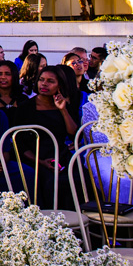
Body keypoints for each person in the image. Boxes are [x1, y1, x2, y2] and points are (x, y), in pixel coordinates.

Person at [9, 67, 79, 208]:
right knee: (51, 182)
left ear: (59, 85)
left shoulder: (65, 105)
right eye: (41, 80)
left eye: (50, 81)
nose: (44, 84)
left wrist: (63, 110)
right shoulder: (25, 108)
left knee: (79, 179)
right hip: (33, 157)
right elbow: (19, 143)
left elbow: (73, 134)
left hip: (60, 155)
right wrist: (40, 162)